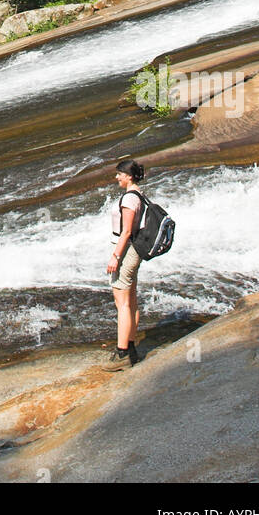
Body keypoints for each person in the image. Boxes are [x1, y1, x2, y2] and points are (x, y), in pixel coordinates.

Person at [103, 157, 145, 370]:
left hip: (126, 252)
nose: (116, 177)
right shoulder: (139, 194)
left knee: (123, 303)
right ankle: (130, 348)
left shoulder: (129, 199)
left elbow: (126, 231)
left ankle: (122, 355)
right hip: (134, 251)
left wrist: (115, 256)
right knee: (131, 300)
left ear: (128, 176)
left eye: (120, 173)